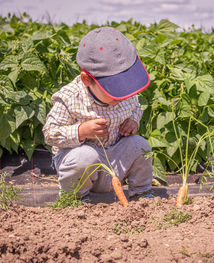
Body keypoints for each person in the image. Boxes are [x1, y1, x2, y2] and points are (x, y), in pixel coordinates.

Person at [42, 27, 153, 201]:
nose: (123, 94)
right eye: (114, 89)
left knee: (141, 145)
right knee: (86, 156)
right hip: (79, 164)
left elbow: (136, 108)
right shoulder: (70, 97)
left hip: (114, 158)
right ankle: (75, 199)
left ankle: (142, 193)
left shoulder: (127, 96)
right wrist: (81, 131)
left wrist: (133, 121)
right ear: (87, 80)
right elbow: (50, 133)